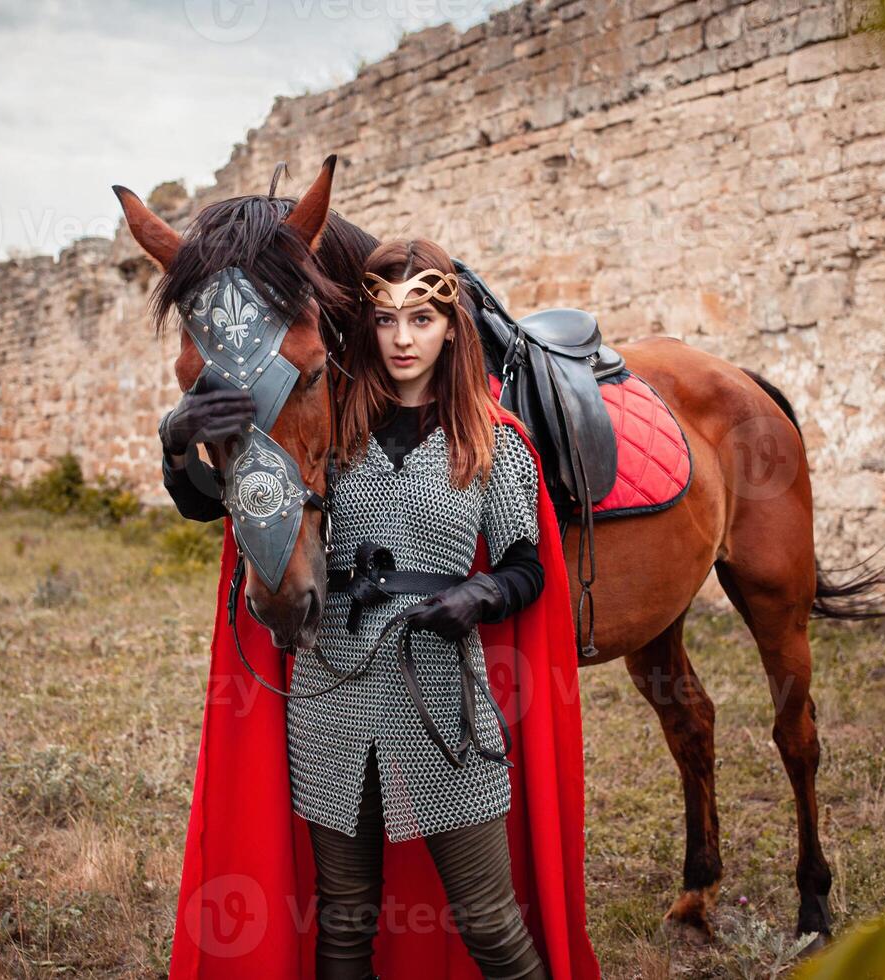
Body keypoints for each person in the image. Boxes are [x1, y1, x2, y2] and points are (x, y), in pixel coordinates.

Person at [158, 235, 599, 980]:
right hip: (330, 706)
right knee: (343, 926)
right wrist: (177, 446)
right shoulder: (330, 429)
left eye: (421, 319)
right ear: (365, 325)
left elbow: (529, 568)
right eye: (386, 319)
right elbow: (232, 504)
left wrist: (481, 593)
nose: (402, 339)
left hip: (441, 709)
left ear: (451, 328)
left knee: (492, 926)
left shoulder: (491, 442)